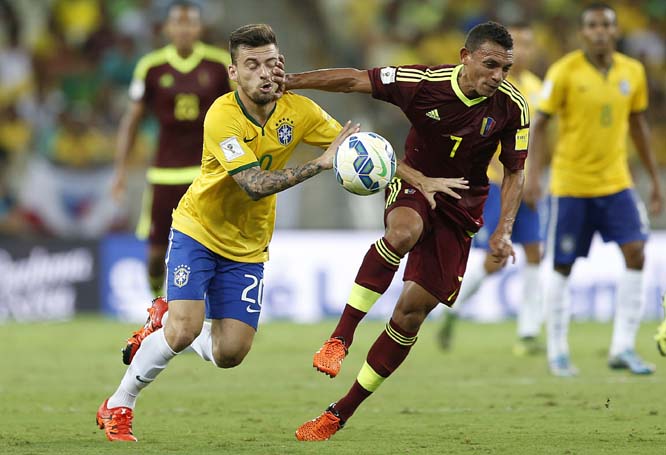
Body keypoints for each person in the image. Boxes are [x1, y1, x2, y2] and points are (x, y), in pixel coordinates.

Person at [95, 23, 449, 443]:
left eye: (271, 63)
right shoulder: (222, 116)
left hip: (248, 246)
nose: (264, 73)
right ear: (234, 73)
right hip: (198, 230)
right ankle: (119, 403)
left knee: (231, 353)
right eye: (252, 65)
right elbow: (253, 183)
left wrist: (418, 178)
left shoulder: (299, 110)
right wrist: (319, 164)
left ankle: (163, 322)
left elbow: (364, 148)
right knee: (185, 329)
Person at [284, 21, 529, 441]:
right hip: (414, 182)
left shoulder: (512, 106)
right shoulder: (422, 82)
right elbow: (353, 81)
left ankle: (339, 413)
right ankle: (339, 339)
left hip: (462, 211)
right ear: (464, 57)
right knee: (402, 232)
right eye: (490, 65)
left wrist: (503, 230)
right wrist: (291, 82)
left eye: (505, 68)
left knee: (409, 316)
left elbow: (515, 172)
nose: (498, 76)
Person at [527, 3, 663, 377]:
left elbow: (639, 126)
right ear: (583, 33)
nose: (600, 31)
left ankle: (622, 347)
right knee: (562, 265)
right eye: (592, 25)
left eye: (606, 25)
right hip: (571, 185)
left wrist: (652, 179)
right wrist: (534, 174)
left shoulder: (631, 72)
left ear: (615, 31)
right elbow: (539, 125)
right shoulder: (564, 71)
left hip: (616, 182)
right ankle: (557, 351)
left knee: (636, 253)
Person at [111, 0, 232, 299]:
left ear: (200, 27)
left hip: (207, 174)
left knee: (213, 248)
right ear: (167, 28)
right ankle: (156, 304)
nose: (184, 29)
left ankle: (212, 313)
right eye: (178, 23)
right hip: (163, 174)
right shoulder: (151, 67)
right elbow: (132, 121)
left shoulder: (219, 65)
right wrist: (120, 172)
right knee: (155, 255)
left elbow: (238, 113)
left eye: (190, 22)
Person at [437, 22, 545, 356]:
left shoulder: (536, 88)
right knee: (494, 260)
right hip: (496, 182)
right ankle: (449, 309)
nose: (524, 51)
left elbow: (540, 139)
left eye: (528, 44)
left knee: (534, 253)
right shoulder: (488, 85)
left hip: (525, 182)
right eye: (519, 45)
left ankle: (527, 333)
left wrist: (536, 175)